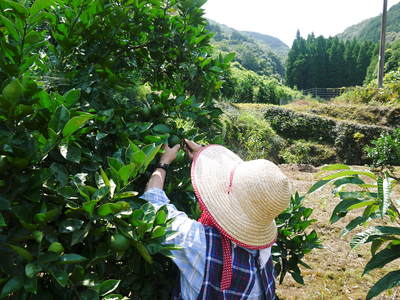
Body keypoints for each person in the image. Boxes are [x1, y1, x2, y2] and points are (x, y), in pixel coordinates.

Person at [140, 140, 291, 300]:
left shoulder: (198, 242)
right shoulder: (263, 249)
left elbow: (153, 206)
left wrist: (164, 163)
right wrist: (202, 157)